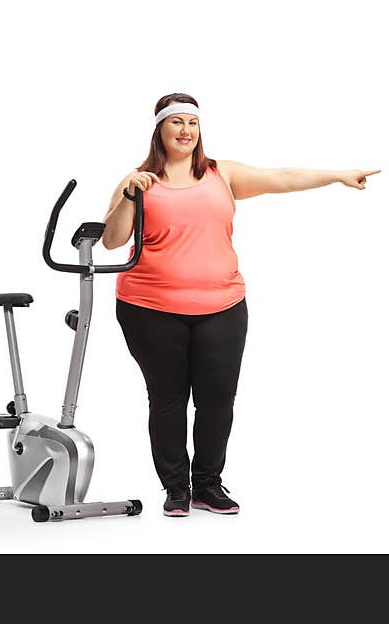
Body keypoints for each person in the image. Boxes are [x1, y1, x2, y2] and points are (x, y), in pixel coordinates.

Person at [101, 93, 379, 517]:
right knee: (168, 398)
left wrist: (338, 175)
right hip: (150, 307)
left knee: (217, 398)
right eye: (175, 122)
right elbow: (112, 240)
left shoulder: (221, 174)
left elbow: (282, 177)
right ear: (159, 129)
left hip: (223, 303)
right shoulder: (138, 179)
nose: (185, 130)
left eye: (191, 123)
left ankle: (207, 486)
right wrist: (128, 196)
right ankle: (176, 489)